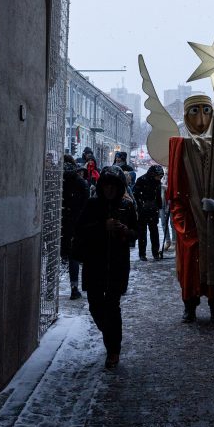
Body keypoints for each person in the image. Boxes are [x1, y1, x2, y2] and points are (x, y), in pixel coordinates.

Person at [167, 94, 214, 323]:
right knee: (191, 266)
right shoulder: (179, 146)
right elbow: (175, 195)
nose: (200, 120)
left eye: (207, 111)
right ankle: (190, 305)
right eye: (194, 112)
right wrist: (184, 224)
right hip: (191, 225)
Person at [72, 166, 138, 368]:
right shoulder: (92, 205)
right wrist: (102, 227)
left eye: (113, 186)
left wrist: (126, 231)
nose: (109, 190)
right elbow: (80, 230)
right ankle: (108, 333)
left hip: (117, 264)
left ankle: (113, 350)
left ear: (119, 188)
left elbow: (136, 233)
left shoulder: (126, 206)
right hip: (95, 263)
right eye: (106, 186)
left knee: (113, 306)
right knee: (95, 305)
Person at [61, 158, 90, 300]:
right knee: (74, 258)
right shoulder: (81, 183)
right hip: (75, 225)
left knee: (52, 257)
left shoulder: (56, 180)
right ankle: (74, 288)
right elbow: (86, 207)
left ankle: (48, 288)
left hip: (58, 224)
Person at [133, 165, 165, 261]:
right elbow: (136, 195)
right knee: (142, 232)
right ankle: (142, 254)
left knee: (154, 232)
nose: (159, 178)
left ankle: (155, 253)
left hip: (153, 210)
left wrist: (159, 206)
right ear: (153, 174)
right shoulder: (141, 180)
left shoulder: (157, 182)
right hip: (143, 210)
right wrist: (140, 206)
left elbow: (158, 195)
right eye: (158, 176)